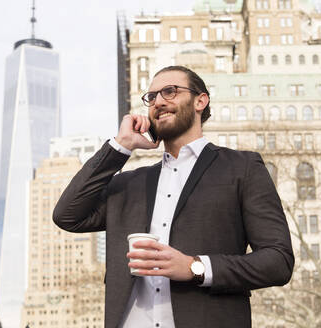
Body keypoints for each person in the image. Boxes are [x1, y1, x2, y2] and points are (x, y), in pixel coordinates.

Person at [53, 65, 294, 328]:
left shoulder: (242, 168)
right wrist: (121, 146)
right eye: (152, 97)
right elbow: (67, 215)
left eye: (170, 91)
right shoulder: (129, 183)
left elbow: (278, 261)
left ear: (200, 100)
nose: (158, 102)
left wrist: (195, 267)